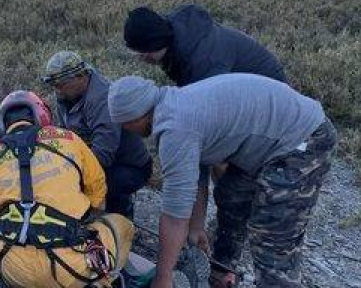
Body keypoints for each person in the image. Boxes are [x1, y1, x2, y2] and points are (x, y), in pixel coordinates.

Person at [107, 74, 336, 288]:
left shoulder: (175, 128)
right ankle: (222, 274)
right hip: (271, 139)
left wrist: (163, 277)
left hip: (304, 138)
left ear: (135, 116)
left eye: (124, 124)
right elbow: (195, 173)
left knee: (272, 237)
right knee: (231, 197)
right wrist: (196, 227)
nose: (126, 131)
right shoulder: (173, 103)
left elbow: (175, 215)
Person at [0, 90, 134, 288]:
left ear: (1, 123)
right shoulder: (69, 139)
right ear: (41, 114)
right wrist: (88, 214)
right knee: (121, 224)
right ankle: (100, 281)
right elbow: (98, 189)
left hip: (13, 268)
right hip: (69, 269)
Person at [42, 51, 153, 219]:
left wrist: (70, 173)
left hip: (128, 166)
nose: (57, 90)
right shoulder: (67, 94)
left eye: (60, 85)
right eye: (53, 85)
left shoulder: (103, 100)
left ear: (80, 77)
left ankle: (121, 219)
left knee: (105, 185)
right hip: (93, 157)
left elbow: (103, 155)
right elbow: (66, 137)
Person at [123, 4, 286, 87]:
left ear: (157, 43)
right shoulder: (178, 39)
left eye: (143, 52)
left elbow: (212, 106)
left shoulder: (205, 60)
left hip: (270, 91)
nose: (141, 58)